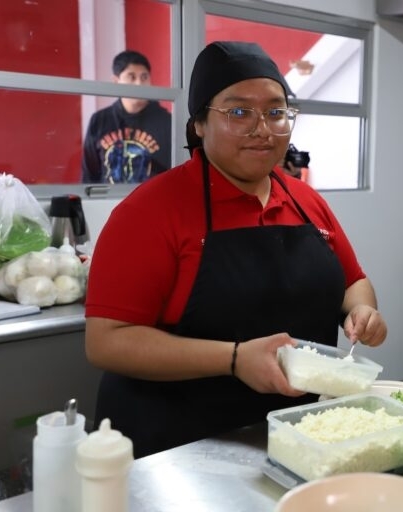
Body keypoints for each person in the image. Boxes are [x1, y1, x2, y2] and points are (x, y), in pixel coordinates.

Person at [84, 41, 387, 458]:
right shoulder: (150, 212)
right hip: (177, 448)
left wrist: (361, 311)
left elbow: (353, 280)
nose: (263, 128)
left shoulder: (305, 200)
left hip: (291, 437)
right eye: (239, 112)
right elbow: (107, 342)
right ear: (200, 125)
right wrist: (233, 359)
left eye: (276, 112)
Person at [82, 50, 172, 183]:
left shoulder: (166, 121)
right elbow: (88, 176)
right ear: (116, 81)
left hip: (153, 200)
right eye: (131, 77)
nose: (139, 84)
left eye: (144, 77)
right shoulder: (100, 120)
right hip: (107, 202)